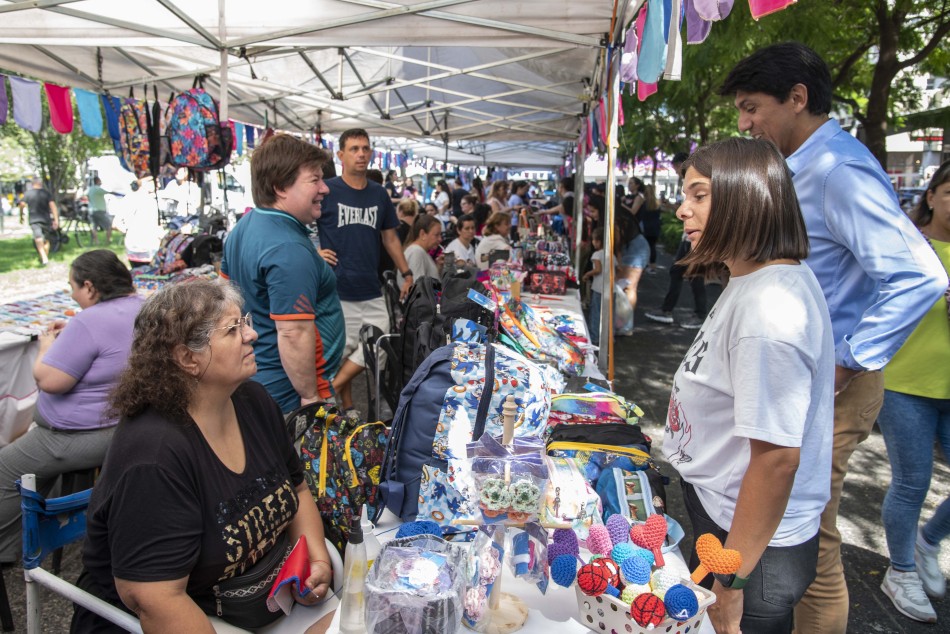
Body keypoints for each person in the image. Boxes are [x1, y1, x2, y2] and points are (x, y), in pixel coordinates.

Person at [719, 42, 948, 634]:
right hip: (800, 374)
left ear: (798, 98)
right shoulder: (803, 166)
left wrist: (849, 359)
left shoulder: (838, 170)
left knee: (808, 539)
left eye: (752, 108)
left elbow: (919, 275)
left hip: (831, 382)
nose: (744, 124)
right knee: (791, 530)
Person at [71, 280, 333, 633]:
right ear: (187, 358)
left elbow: (297, 489)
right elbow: (157, 600)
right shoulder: (155, 457)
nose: (252, 335)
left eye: (246, 322)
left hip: (266, 602)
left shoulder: (252, 400)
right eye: (233, 330)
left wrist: (316, 560)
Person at [663, 137, 834, 634]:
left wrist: (730, 581)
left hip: (751, 544)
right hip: (726, 515)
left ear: (745, 197)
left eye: (698, 195)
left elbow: (777, 459)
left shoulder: (769, 311)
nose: (681, 209)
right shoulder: (752, 280)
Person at [0, 250, 142, 565]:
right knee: (32, 469)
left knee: (5, 468)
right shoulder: (142, 306)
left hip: (78, 437)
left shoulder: (90, 320)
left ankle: (10, 548)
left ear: (90, 287)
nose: (72, 294)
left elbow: (50, 381)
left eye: (73, 287)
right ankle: (29, 530)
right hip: (123, 425)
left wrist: (47, 348)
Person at [221, 134, 345, 414]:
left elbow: (225, 299)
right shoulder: (288, 248)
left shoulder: (245, 226)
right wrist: (310, 399)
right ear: (280, 187)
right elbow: (293, 332)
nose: (325, 188)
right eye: (314, 180)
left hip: (259, 382)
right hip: (289, 394)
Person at [877, 160, 950, 624]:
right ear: (931, 195)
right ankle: (901, 569)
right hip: (905, 384)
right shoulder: (907, 241)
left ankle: (928, 541)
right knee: (912, 482)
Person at [317, 128, 414, 417]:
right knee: (341, 350)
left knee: (381, 342)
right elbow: (302, 223)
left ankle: (332, 388)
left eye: (365, 148)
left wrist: (406, 273)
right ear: (341, 155)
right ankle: (347, 407)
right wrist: (313, 251)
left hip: (371, 287)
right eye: (354, 149)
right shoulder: (327, 190)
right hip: (338, 288)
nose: (361, 153)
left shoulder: (378, 194)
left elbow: (391, 238)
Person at [646, 152, 708, 329]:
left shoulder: (698, 181)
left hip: (694, 237)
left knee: (693, 274)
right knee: (685, 273)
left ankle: (696, 313)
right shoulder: (690, 184)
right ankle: (678, 310)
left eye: (675, 168)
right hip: (688, 236)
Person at [20, 176, 59, 267]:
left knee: (39, 238)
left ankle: (43, 256)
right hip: (46, 219)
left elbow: (22, 204)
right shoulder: (46, 193)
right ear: (40, 183)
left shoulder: (27, 194)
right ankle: (44, 257)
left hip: (34, 219)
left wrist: (21, 215)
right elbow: (53, 206)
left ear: (32, 184)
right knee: (43, 239)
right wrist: (56, 220)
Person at [398, 215, 443, 287]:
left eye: (440, 235)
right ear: (423, 234)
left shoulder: (419, 251)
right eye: (436, 235)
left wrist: (438, 267)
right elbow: (418, 290)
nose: (440, 239)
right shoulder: (416, 253)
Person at [582, 227, 605, 347]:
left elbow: (598, 269)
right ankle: (609, 337)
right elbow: (619, 268)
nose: (592, 243)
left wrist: (587, 274)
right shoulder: (610, 254)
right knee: (607, 314)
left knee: (595, 312)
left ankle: (594, 336)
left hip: (598, 287)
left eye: (594, 240)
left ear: (599, 241)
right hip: (609, 288)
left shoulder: (596, 254)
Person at [639, 184, 662, 274]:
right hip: (655, 227)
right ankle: (653, 266)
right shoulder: (657, 203)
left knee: (644, 248)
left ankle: (644, 265)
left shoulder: (643, 203)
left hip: (645, 228)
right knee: (652, 247)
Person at [86, 177, 115, 246]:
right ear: (97, 181)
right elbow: (107, 192)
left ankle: (96, 242)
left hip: (92, 211)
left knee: (94, 227)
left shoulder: (90, 189)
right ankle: (108, 241)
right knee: (108, 225)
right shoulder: (98, 189)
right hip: (100, 210)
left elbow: (88, 197)